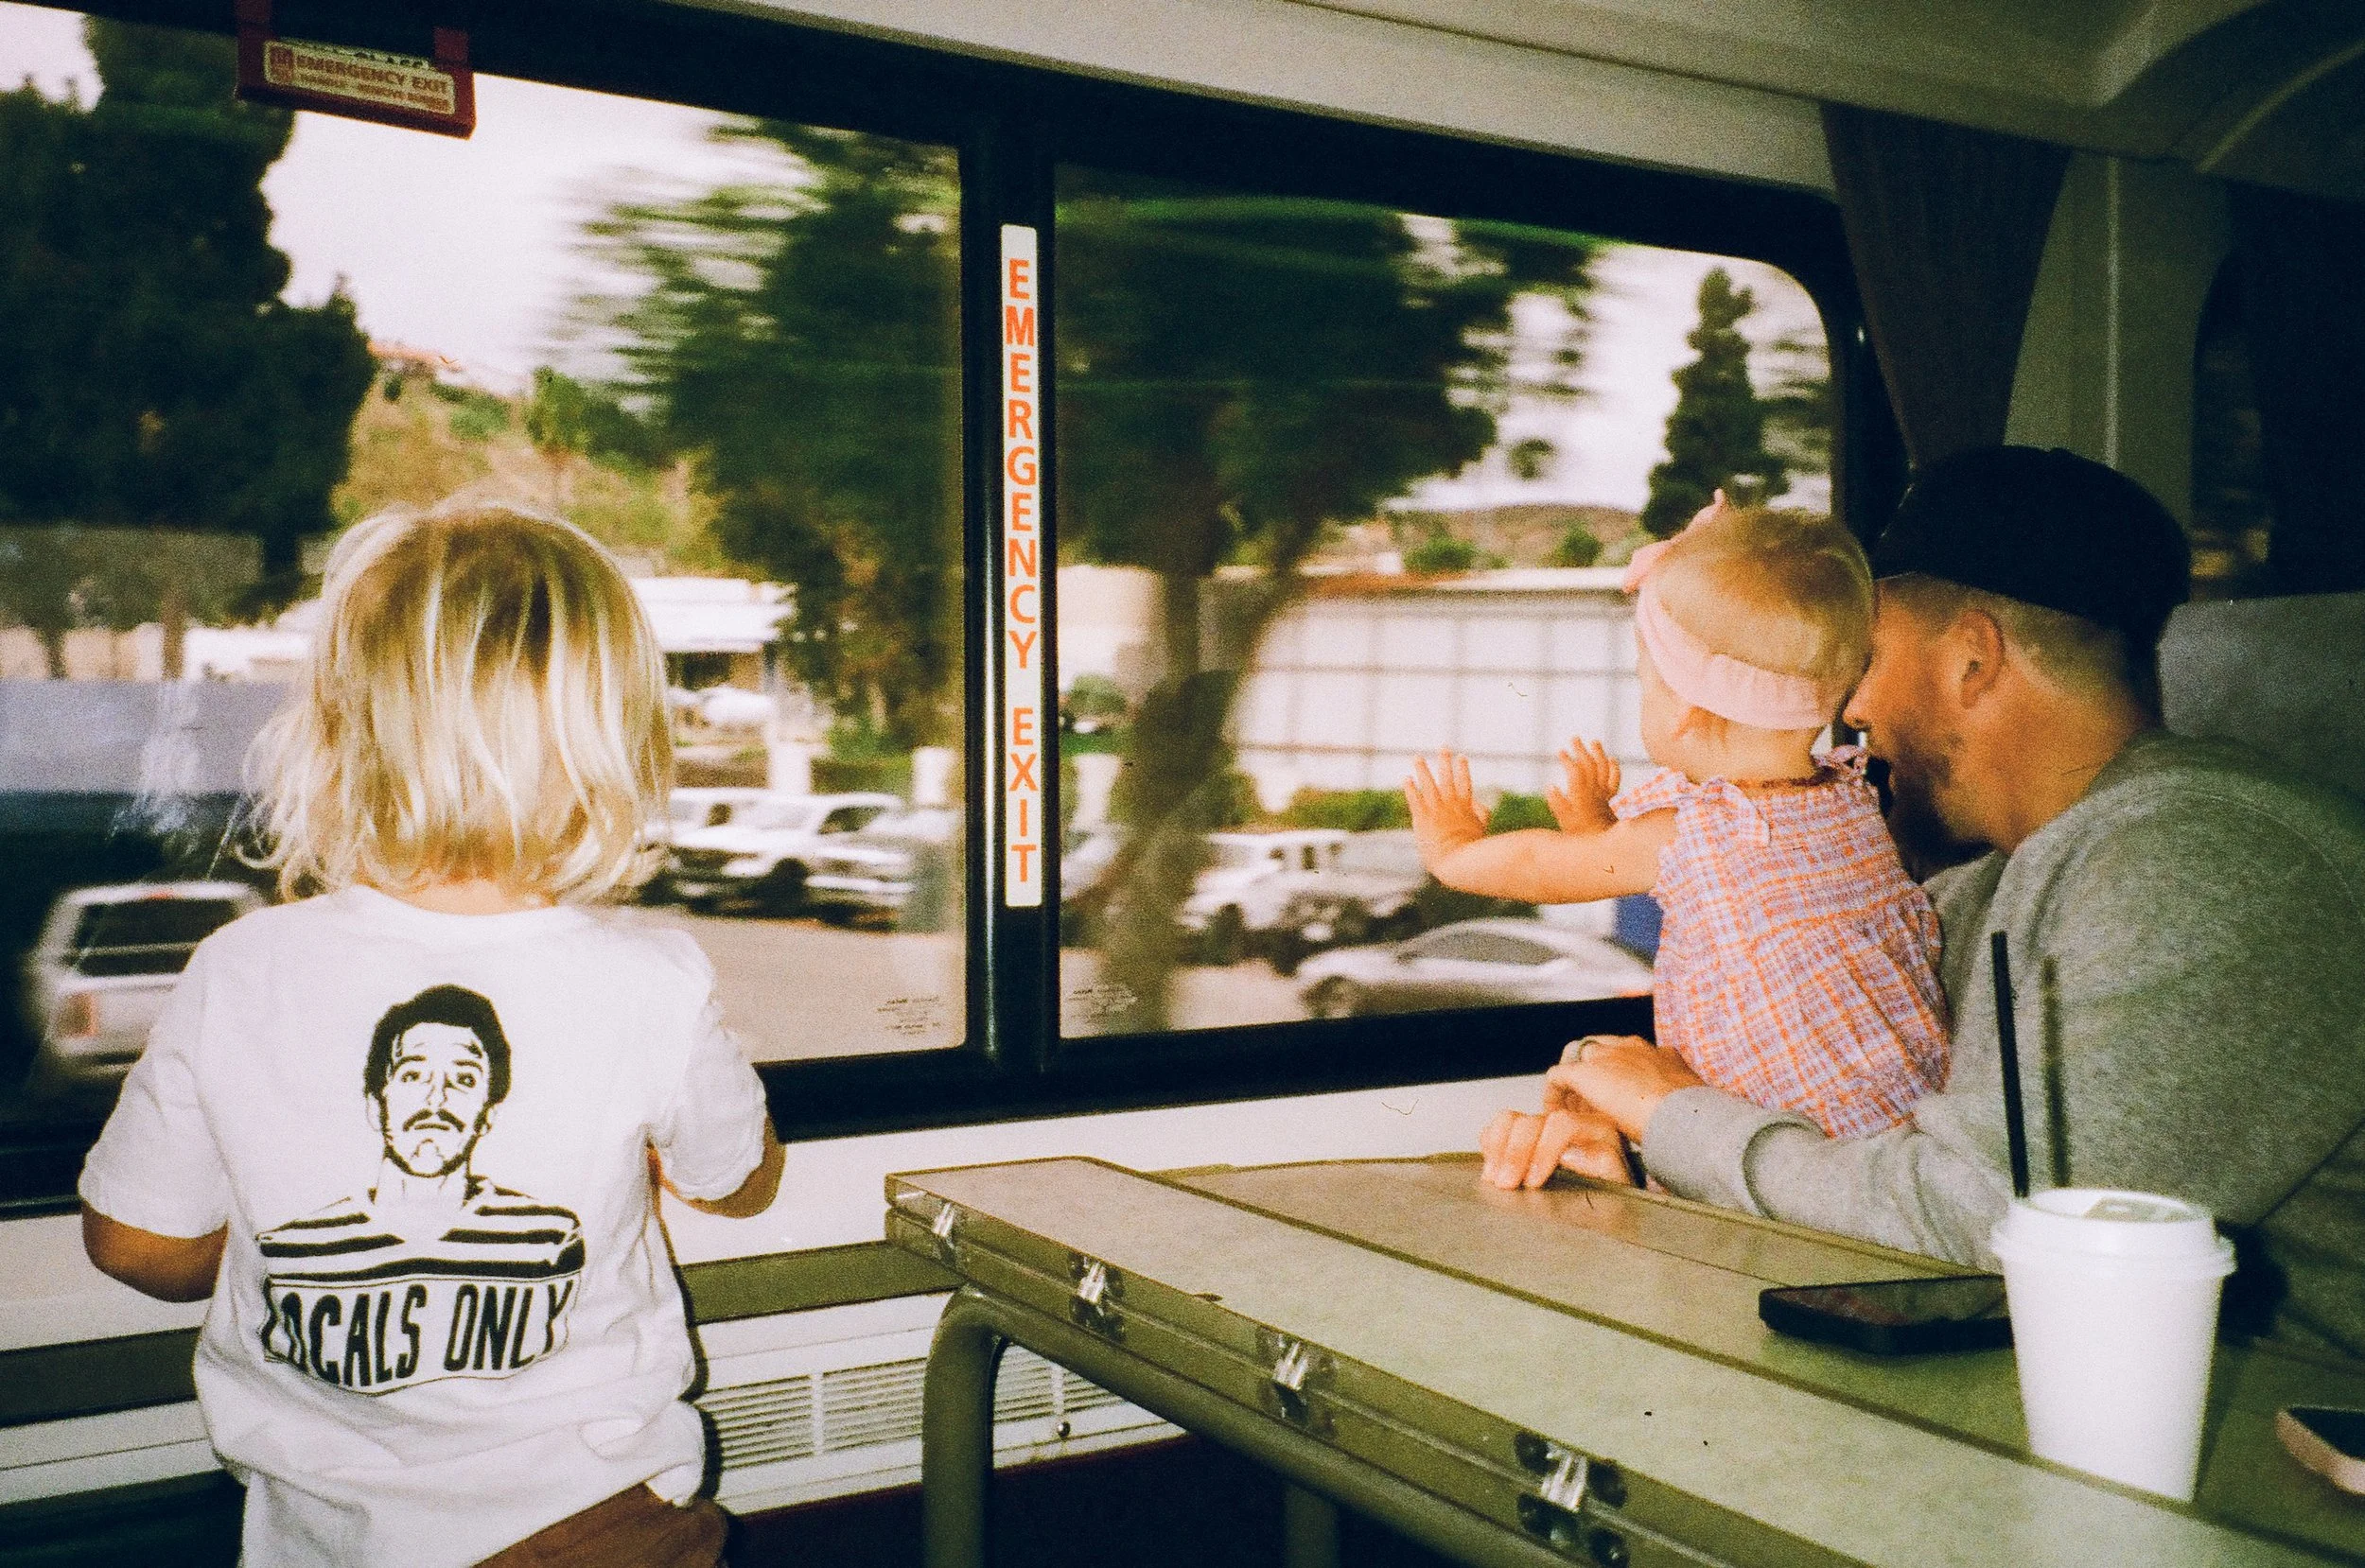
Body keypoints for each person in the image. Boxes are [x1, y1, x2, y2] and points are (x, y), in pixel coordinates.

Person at [1493, 446, 2365, 1364]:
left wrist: (1676, 1117)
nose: (1848, 705)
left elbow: (1985, 1229)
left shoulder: (2210, 859)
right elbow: (1880, 1145)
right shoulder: (1985, 889)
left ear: (1973, 658)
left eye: (1860, 658)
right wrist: (1635, 1158)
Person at [78, 503, 788, 1566]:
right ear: (614, 745)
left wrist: (279, 1213)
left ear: (335, 728)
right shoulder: (650, 978)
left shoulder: (240, 966)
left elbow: (131, 1241)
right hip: (593, 1516)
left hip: (321, 1528)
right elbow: (740, 1179)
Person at [1408, 500, 1948, 1140]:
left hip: (1789, 1128)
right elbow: (1694, 888)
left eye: (1646, 680)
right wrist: (1602, 830)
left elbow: (1539, 867)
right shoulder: (1851, 796)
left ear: (1687, 709)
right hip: (1895, 1110)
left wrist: (1454, 851)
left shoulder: (1689, 829)